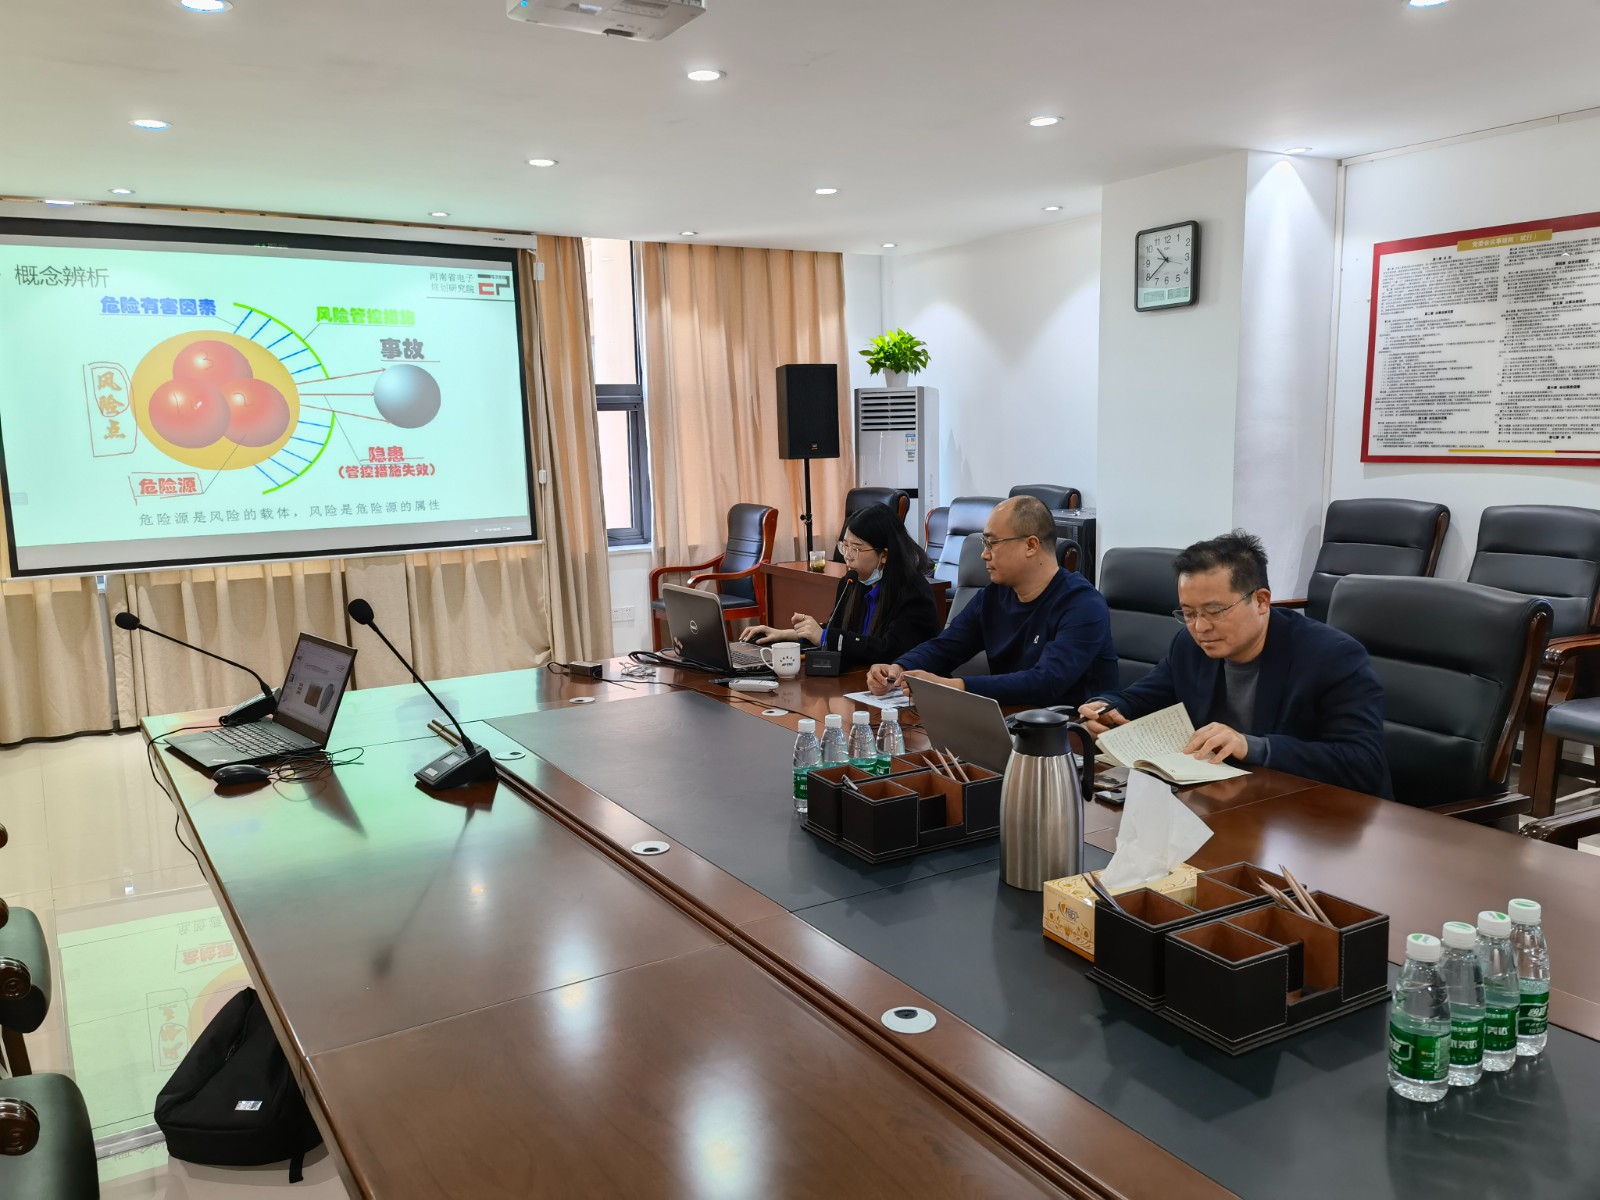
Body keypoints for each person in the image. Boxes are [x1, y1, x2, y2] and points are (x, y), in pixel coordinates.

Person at [1078, 529, 1392, 798]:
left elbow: (1362, 763)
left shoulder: (1333, 657)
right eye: (1188, 612)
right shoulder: (1190, 646)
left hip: (1319, 817)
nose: (1200, 627)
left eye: (1214, 611)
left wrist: (1251, 746)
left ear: (1261, 601)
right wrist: (1106, 708)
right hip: (1230, 800)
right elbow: (1143, 696)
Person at [866, 495, 1116, 706]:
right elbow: (946, 646)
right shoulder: (994, 596)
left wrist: (954, 686)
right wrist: (898, 668)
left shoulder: (1082, 604)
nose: (984, 554)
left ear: (1031, 545)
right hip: (1009, 721)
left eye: (992, 543)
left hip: (1071, 732)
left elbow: (1046, 682)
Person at [740, 502, 939, 670]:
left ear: (884, 555)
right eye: (845, 546)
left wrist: (824, 636)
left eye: (856, 548)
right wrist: (784, 635)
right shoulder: (852, 581)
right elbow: (838, 629)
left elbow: (889, 651)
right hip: (860, 681)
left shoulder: (913, 592)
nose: (848, 556)